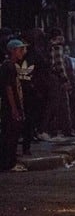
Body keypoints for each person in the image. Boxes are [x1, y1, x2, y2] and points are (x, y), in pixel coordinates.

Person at [1, 39, 28, 172]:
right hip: (10, 107)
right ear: (12, 51)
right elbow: (8, 88)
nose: (22, 52)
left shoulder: (12, 65)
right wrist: (14, 108)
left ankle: (9, 161)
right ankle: (8, 163)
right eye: (20, 49)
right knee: (10, 135)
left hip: (14, 105)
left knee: (13, 135)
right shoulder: (8, 66)